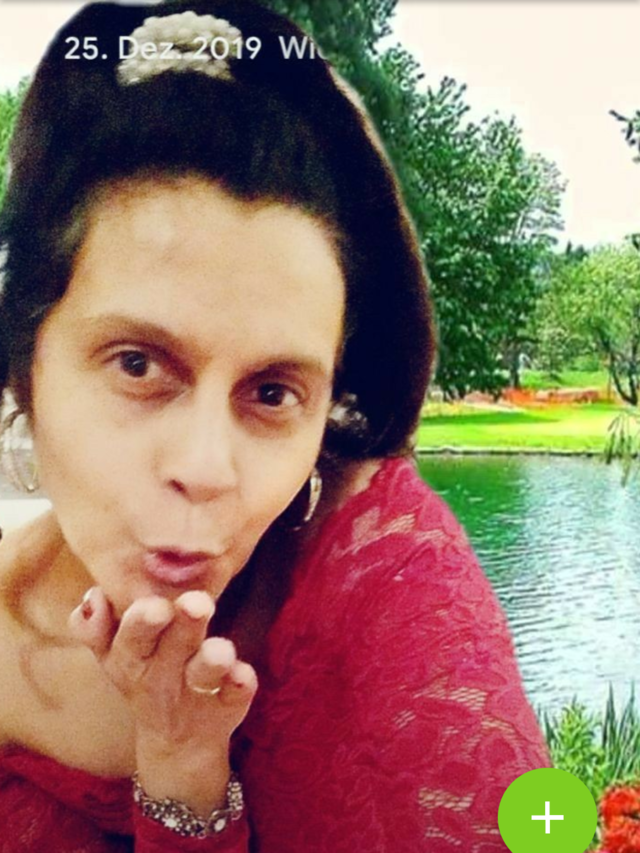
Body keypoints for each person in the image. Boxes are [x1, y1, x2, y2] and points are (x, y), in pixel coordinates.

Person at [0, 1, 550, 850]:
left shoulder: (385, 582)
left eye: (271, 392)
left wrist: (183, 769)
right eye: (139, 365)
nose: (206, 468)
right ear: (24, 358)